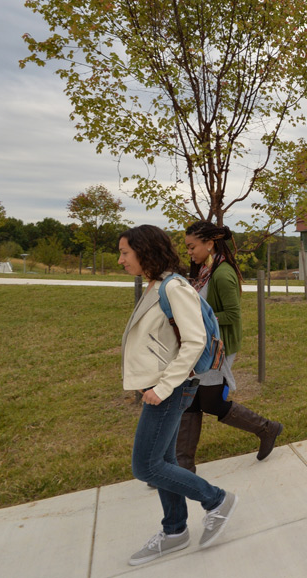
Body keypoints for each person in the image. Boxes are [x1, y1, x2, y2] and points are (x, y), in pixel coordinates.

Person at [118, 225, 237, 566]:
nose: (121, 259)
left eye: (126, 252)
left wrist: (161, 386)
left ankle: (216, 500)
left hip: (170, 388)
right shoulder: (157, 284)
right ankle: (174, 531)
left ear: (146, 251)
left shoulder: (173, 287)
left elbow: (195, 340)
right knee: (165, 462)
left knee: (146, 466)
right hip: (161, 386)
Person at [177, 221, 283, 474]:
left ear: (209, 243)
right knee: (190, 400)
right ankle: (182, 465)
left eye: (192, 247)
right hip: (201, 346)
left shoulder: (222, 274)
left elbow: (233, 315)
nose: (189, 252)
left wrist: (197, 319)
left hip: (217, 349)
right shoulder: (204, 270)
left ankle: (267, 428)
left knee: (210, 402)